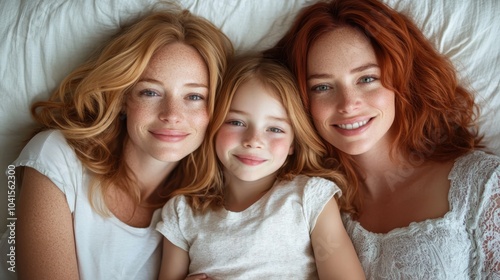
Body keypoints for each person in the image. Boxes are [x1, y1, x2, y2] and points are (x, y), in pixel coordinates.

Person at [264, 0, 500, 278]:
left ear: (402, 79)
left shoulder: (482, 185)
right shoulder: (301, 205)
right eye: (323, 86)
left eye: (366, 79)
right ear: (300, 102)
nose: (348, 104)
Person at [7, 8, 233, 280]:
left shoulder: (207, 215)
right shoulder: (57, 157)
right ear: (123, 98)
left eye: (194, 96)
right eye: (150, 92)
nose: (172, 114)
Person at [156, 55, 365, 280]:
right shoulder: (182, 212)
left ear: (293, 142)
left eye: (274, 129)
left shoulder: (310, 198)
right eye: (236, 122)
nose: (253, 140)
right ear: (213, 127)